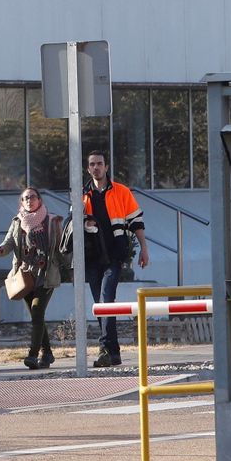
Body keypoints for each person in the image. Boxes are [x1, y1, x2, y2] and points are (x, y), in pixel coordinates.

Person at [83, 148, 149, 367]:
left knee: (105, 300)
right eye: (92, 164)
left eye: (99, 163)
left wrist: (144, 249)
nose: (96, 167)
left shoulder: (121, 191)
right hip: (91, 255)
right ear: (88, 168)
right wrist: (84, 223)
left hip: (114, 254)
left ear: (106, 167)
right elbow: (73, 223)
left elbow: (136, 222)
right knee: (100, 304)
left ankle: (104, 349)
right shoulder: (82, 194)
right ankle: (114, 352)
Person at [0, 186, 64, 369]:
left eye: (32, 197)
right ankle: (47, 353)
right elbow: (9, 241)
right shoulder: (17, 221)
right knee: (36, 316)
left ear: (39, 200)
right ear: (22, 202)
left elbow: (61, 247)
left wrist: (69, 267)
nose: (29, 200)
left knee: (37, 311)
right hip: (25, 275)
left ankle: (33, 354)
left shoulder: (51, 220)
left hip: (46, 274)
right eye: (25, 198)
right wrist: (0, 250)